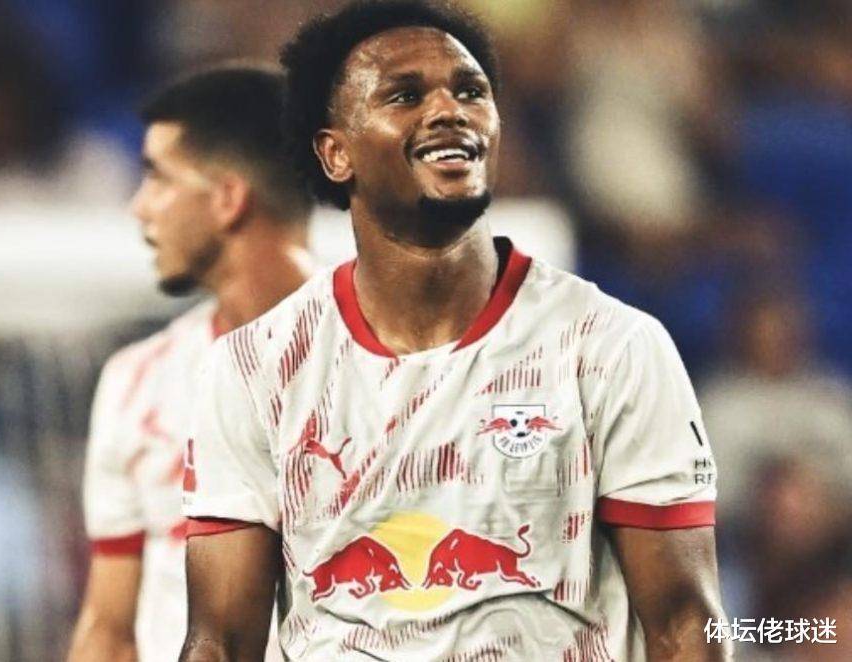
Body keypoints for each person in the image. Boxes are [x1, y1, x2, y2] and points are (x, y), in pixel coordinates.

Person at [181, 2, 728, 660]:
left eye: (470, 91)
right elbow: (219, 641)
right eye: (406, 95)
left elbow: (684, 623)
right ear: (335, 153)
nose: (450, 109)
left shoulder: (613, 348)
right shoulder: (253, 368)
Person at [67, 64, 314, 662]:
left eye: (158, 177)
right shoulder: (138, 380)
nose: (139, 207)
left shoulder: (391, 363)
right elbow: (110, 629)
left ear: (228, 198)